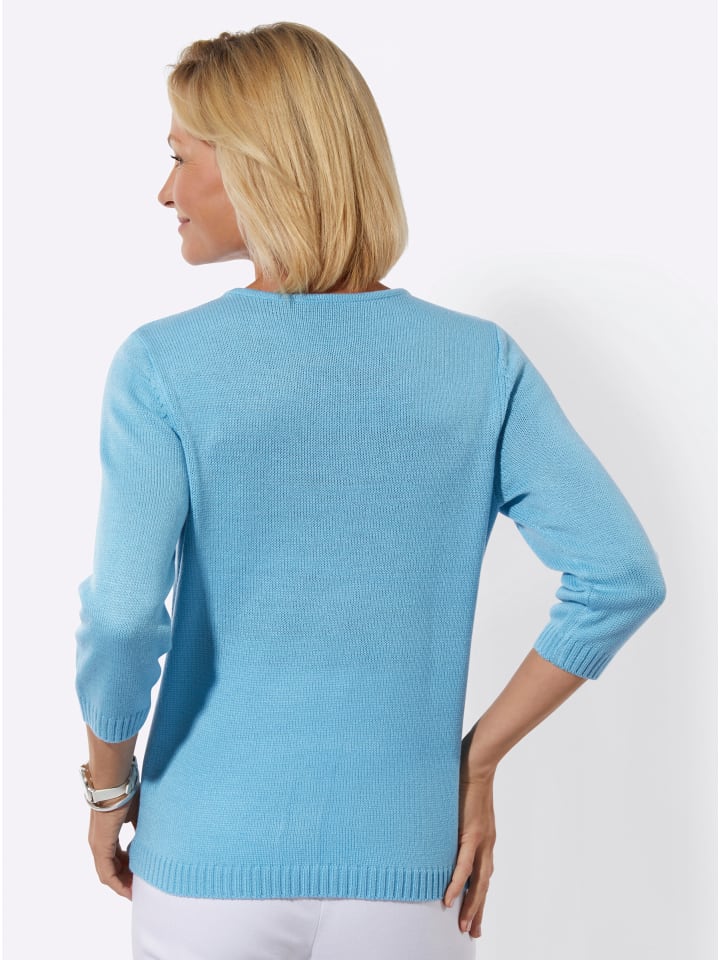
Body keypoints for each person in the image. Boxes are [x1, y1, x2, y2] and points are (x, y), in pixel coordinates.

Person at [74, 21, 666, 960]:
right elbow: (619, 576)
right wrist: (475, 762)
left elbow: (121, 615)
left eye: (181, 157)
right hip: (413, 872)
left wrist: (110, 785)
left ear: (258, 165)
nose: (165, 190)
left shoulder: (162, 366)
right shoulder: (479, 364)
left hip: (207, 866)